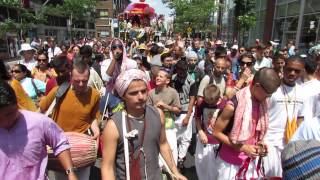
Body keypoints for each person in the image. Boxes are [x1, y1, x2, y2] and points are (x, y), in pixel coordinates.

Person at [101, 69, 186, 180]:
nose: (140, 97)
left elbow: (163, 144)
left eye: (143, 91)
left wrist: (175, 172)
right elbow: (107, 167)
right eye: (133, 93)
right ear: (123, 96)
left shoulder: (158, 114)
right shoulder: (113, 125)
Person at [0, 80, 77, 180]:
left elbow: (60, 143)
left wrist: (70, 172)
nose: (5, 121)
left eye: (9, 114)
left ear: (17, 104)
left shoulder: (40, 122)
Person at [213, 68, 281, 180]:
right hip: (230, 165)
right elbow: (216, 133)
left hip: (251, 163)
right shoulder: (233, 105)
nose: (268, 97)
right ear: (257, 86)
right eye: (267, 94)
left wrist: (260, 146)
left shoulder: (262, 103)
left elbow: (256, 133)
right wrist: (243, 147)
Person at [39, 60, 100, 180]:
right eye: (77, 81)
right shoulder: (58, 91)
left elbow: (93, 117)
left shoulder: (95, 95)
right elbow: (41, 110)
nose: (81, 84)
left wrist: (96, 129)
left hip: (81, 149)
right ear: (71, 77)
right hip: (57, 148)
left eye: (85, 81)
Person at [263, 55, 306, 177]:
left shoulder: (303, 92)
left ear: (302, 72)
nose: (292, 73)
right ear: (283, 68)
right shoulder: (272, 89)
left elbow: (300, 119)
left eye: (297, 71)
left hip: (290, 146)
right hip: (269, 143)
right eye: (289, 69)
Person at [147, 68, 181, 164]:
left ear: (167, 81)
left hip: (169, 127)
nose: (157, 78)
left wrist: (165, 106)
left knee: (171, 150)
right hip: (155, 126)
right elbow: (147, 110)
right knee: (157, 152)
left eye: (160, 76)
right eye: (157, 76)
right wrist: (155, 107)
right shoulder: (151, 93)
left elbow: (178, 110)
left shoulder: (173, 92)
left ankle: (173, 173)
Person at [195, 84, 227, 180]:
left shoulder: (224, 105)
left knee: (216, 170)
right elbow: (197, 118)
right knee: (201, 165)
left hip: (218, 143)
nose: (209, 105)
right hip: (204, 140)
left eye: (212, 104)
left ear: (218, 98)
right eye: (207, 102)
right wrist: (200, 131)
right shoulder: (201, 103)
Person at [172, 60, 197, 170]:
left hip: (186, 110)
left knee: (186, 137)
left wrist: (188, 116)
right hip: (173, 110)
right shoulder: (172, 79)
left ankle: (181, 158)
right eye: (180, 72)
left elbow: (192, 99)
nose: (182, 74)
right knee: (174, 135)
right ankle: (173, 156)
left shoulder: (191, 81)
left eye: (184, 72)